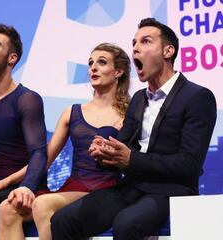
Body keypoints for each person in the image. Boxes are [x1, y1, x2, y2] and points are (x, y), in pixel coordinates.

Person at [49, 17, 217, 240]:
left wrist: (131, 160)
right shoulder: (138, 99)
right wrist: (106, 151)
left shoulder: (197, 97)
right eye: (134, 43)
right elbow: (125, 146)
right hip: (130, 187)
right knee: (63, 220)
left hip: (170, 191)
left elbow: (189, 164)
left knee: (127, 224)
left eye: (146, 41)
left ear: (168, 51)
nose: (136, 48)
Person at [0, 43, 131, 240]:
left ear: (118, 71)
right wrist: (10, 180)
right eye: (91, 63)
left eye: (101, 63)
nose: (93, 68)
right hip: (72, 187)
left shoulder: (128, 114)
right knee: (7, 209)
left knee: (42, 205)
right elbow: (45, 157)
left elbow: (135, 159)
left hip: (103, 191)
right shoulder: (72, 112)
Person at [0, 24, 48, 240]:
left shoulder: (27, 99)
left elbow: (39, 153)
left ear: (12, 58)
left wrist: (27, 187)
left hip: (28, 188)